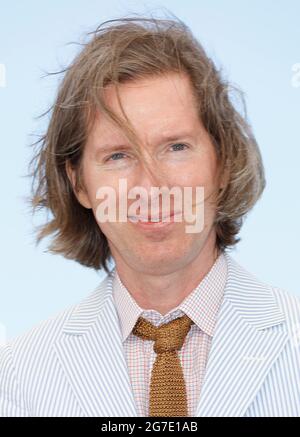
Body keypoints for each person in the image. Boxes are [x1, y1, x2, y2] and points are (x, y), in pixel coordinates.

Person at [0, 15, 299, 417]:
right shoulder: (18, 375)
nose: (151, 184)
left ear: (223, 162)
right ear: (80, 184)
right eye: (118, 155)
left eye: (175, 147)